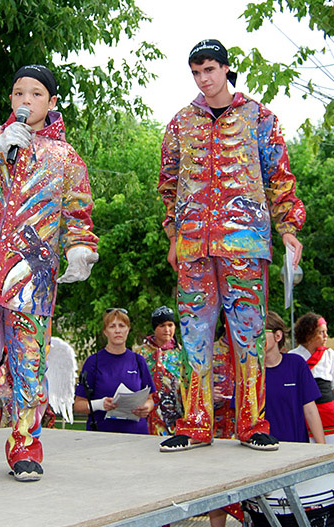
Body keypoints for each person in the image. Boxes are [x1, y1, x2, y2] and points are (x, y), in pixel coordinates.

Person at [0, 64, 98, 487]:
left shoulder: (66, 159)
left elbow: (79, 213)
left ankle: (26, 448)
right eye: (17, 93)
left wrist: (81, 249)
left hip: (31, 280)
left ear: (50, 102)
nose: (24, 101)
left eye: (34, 94)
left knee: (30, 367)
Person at [157, 39, 305, 452]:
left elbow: (280, 176)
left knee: (250, 335)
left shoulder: (259, 117)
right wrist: (173, 236)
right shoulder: (181, 122)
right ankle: (196, 423)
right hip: (193, 249)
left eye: (209, 70)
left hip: (245, 245)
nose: (203, 79)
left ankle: (252, 424)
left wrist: (288, 226)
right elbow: (168, 184)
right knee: (194, 335)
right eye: (196, 73)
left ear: (225, 69)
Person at [243, 312, 330, 527]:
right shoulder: (250, 372)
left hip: (296, 457)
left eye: (261, 334)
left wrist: (321, 450)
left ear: (278, 335)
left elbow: (310, 410)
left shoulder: (296, 364)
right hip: (262, 460)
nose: (255, 339)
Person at [73, 309, 156, 434]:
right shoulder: (93, 362)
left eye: (122, 326)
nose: (118, 330)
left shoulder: (138, 361)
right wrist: (100, 404)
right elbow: (78, 405)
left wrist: (146, 408)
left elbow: (150, 399)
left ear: (128, 330)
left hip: (136, 434)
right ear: (105, 332)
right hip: (102, 435)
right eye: (112, 326)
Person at [134, 305, 183, 436]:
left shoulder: (182, 353)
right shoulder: (141, 353)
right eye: (162, 326)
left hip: (175, 415)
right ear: (155, 328)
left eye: (170, 325)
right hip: (147, 413)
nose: (167, 330)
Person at [289, 313, 334, 442]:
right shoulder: (293, 357)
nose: (325, 336)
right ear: (308, 334)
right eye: (321, 332)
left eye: (326, 332)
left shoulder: (329, 355)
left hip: (328, 413)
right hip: (303, 413)